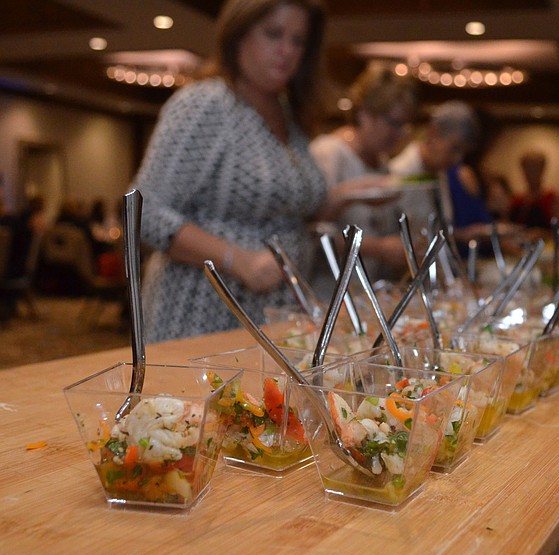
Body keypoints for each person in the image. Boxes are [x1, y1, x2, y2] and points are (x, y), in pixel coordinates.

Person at [133, 0, 344, 342]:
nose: (287, 50)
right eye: (273, 34)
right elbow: (144, 210)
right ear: (238, 36)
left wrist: (338, 199)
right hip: (204, 316)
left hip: (273, 318)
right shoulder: (207, 104)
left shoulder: (290, 116)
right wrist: (237, 259)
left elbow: (283, 209)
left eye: (298, 40)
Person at [309, 62, 417, 284]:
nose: (399, 134)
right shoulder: (330, 152)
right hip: (329, 294)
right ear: (364, 114)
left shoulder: (381, 162)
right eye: (394, 123)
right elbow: (311, 231)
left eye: (404, 125)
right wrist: (379, 249)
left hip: (364, 294)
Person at [389, 100, 481, 241]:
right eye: (454, 148)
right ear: (433, 133)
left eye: (463, 152)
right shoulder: (400, 172)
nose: (458, 159)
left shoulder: (439, 173)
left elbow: (437, 230)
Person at [509, 150, 559, 231]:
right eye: (527, 168)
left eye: (534, 168)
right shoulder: (517, 200)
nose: (530, 173)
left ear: (542, 170)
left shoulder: (553, 199)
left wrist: (543, 234)